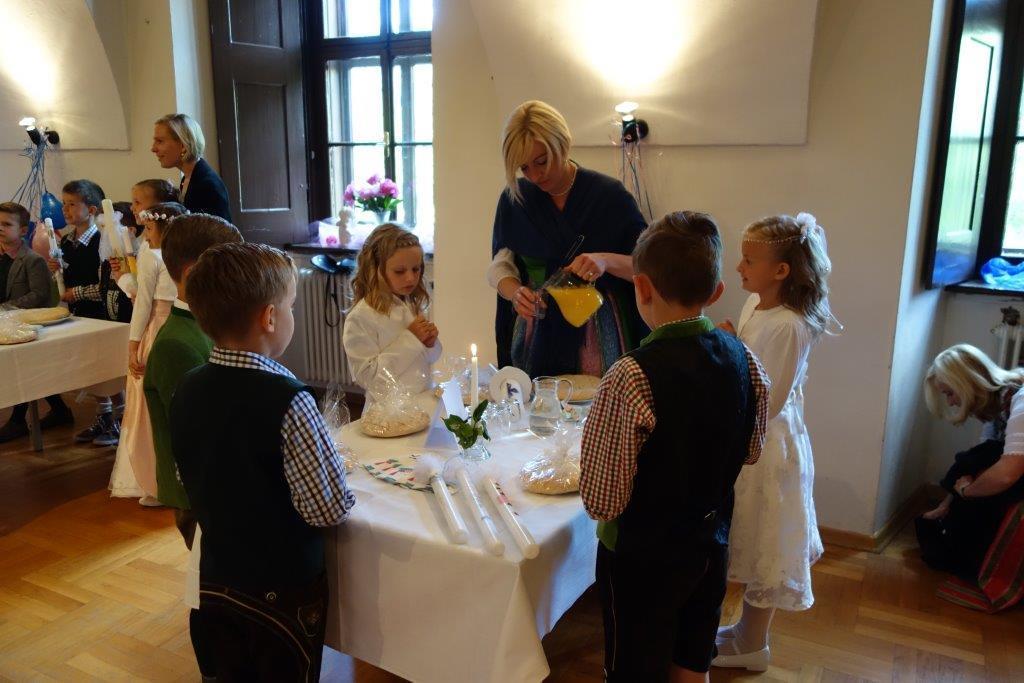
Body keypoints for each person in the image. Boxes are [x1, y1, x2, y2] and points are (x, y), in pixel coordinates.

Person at [579, 211, 770, 682]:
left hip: (642, 559)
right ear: (717, 292)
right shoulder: (744, 358)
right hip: (710, 545)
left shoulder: (630, 375)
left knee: (634, 669)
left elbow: (603, 501)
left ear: (641, 287)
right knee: (692, 661)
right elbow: (751, 449)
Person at [171, 242, 355, 680]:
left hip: (215, 579)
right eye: (291, 306)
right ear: (270, 317)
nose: (292, 314)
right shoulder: (290, 399)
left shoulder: (187, 387)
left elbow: (189, 474)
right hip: (282, 592)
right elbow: (326, 510)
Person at [713, 213, 837, 671]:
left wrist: (729, 350)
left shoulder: (788, 325)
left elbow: (769, 398)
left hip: (768, 448)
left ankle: (754, 645)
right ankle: (745, 632)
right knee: (751, 535)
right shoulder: (756, 305)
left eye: (749, 260)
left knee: (767, 542)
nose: (739, 267)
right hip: (750, 442)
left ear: (781, 270)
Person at [489, 100, 648, 377]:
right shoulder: (516, 199)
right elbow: (501, 265)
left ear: (562, 143)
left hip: (598, 331)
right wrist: (515, 293)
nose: (535, 176)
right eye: (524, 167)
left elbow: (648, 267)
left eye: (542, 161)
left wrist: (604, 261)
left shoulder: (609, 197)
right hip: (536, 328)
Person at [915, 344, 1024, 580]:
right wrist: (949, 501)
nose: (951, 402)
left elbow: (1007, 473)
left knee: (984, 470)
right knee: (978, 458)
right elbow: (974, 462)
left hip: (1016, 469)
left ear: (966, 383)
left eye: (949, 393)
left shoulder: (1021, 400)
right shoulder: (998, 404)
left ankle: (964, 557)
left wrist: (967, 491)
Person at [109, 202, 187, 504]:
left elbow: (142, 302)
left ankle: (152, 479)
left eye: (149, 228)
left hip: (155, 329)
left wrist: (133, 344)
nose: (145, 234)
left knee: (146, 401)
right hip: (179, 325)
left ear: (163, 229)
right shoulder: (183, 256)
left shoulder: (150, 255)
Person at [51, 179, 126, 447]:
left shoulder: (102, 241)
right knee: (92, 369)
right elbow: (67, 277)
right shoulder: (67, 241)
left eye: (72, 204)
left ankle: (122, 418)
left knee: (108, 369)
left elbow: (107, 285)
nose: (65, 209)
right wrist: (57, 270)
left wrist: (77, 293)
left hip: (101, 313)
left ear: (92, 209)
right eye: (64, 204)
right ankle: (104, 415)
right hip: (80, 314)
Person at [0, 201, 72, 443]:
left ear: (23, 230)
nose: (0, 228)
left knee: (22, 369)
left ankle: (18, 420)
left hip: (23, 323)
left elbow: (39, 295)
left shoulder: (32, 260)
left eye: (6, 224)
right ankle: (60, 410)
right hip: (3, 322)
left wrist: (5, 309)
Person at [342, 223, 441, 395]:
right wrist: (412, 339)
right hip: (387, 409)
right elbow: (368, 378)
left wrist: (430, 344)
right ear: (375, 270)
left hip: (422, 400)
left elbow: (430, 359)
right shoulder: (361, 316)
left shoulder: (411, 303)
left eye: (416, 269)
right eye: (399, 271)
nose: (410, 278)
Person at [152, 113, 231, 221]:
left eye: (160, 141)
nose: (153, 149)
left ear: (183, 145)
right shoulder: (188, 178)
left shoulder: (207, 184)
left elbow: (216, 230)